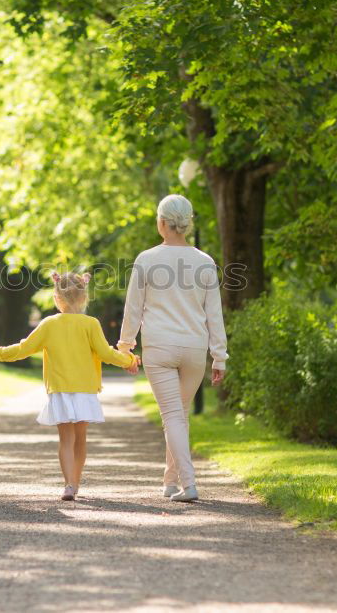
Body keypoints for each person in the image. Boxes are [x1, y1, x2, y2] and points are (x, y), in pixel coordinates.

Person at [0, 271, 137, 501]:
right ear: (85, 298)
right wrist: (130, 361)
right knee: (81, 439)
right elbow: (106, 353)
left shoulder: (49, 324)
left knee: (66, 440)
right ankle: (75, 483)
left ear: (56, 298)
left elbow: (23, 348)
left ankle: (68, 485)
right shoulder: (91, 324)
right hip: (85, 390)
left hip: (60, 390)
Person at [118, 194, 227, 503]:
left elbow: (133, 310)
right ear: (187, 223)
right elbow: (214, 315)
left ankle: (189, 484)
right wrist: (219, 356)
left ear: (162, 222)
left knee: (173, 415)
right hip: (195, 349)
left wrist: (126, 346)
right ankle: (169, 480)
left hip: (160, 348)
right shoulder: (205, 262)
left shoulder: (146, 259)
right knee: (178, 414)